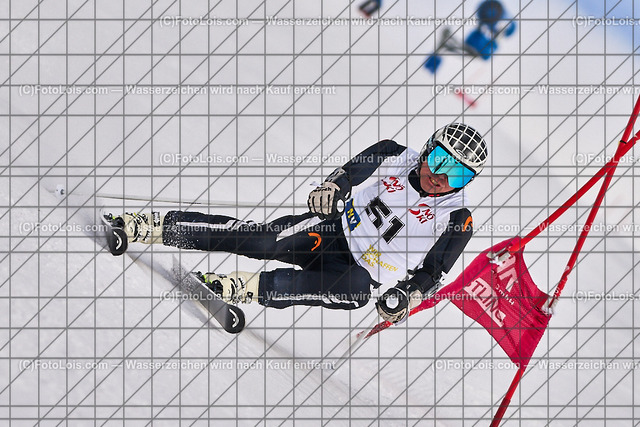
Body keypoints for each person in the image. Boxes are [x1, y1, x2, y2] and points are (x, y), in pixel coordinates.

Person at [115, 123, 487, 324]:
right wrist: (333, 188)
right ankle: (153, 227)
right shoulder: (395, 154)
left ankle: (239, 287)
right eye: (439, 160)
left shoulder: (457, 217)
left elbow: (432, 272)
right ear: (427, 150)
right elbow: (351, 173)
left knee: (357, 292)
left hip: (358, 273)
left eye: (457, 174)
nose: (441, 177)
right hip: (330, 232)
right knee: (260, 242)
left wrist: (407, 296)